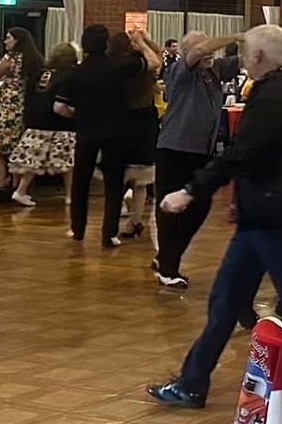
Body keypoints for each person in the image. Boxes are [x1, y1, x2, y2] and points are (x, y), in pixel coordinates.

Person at [146, 25, 282, 409]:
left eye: (246, 54)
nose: (243, 60)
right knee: (225, 301)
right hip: (269, 213)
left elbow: (242, 153)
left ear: (258, 57)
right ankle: (192, 383)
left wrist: (191, 191)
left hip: (276, 216)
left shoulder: (274, 96)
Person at [55, 24, 155, 249]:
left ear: (83, 44)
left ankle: (77, 229)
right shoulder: (118, 66)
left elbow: (60, 108)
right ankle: (109, 234)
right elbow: (153, 62)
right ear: (107, 44)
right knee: (113, 185)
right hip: (115, 132)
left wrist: (79, 115)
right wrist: (140, 42)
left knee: (80, 183)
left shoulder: (75, 72)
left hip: (86, 132)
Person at [152, 31, 225, 289]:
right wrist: (235, 36)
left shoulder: (211, 74)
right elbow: (195, 54)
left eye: (210, 48)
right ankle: (168, 268)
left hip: (201, 151)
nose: (208, 53)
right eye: (202, 48)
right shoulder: (179, 71)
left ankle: (166, 257)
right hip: (175, 148)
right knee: (169, 208)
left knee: (200, 206)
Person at [8, 41, 76, 206]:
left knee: (32, 161)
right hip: (60, 126)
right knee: (67, 163)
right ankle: (70, 195)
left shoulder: (41, 74)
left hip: (36, 124)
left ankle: (21, 191)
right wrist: (75, 115)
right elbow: (59, 107)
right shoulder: (68, 76)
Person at [111, 29, 164, 241]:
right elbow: (157, 57)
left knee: (127, 177)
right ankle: (134, 220)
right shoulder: (142, 65)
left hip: (127, 122)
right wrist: (143, 41)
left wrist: (142, 41)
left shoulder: (121, 65)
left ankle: (124, 221)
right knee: (140, 178)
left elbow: (156, 56)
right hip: (143, 123)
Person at [0, 27, 41, 196]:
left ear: (17, 40)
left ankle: (0, 184)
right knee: (17, 147)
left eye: (8, 38)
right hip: (24, 103)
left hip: (8, 104)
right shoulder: (34, 59)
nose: (5, 41)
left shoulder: (11, 58)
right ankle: (17, 185)